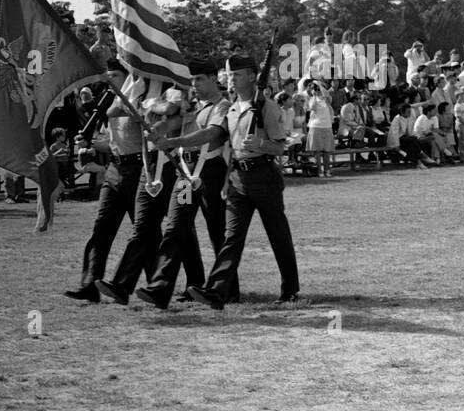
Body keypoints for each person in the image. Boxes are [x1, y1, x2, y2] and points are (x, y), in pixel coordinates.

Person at [187, 55, 300, 309]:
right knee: (231, 237)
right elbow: (231, 150)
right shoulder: (233, 108)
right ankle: (217, 292)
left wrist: (261, 144)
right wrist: (227, 180)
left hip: (264, 176)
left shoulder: (268, 107)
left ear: (252, 76)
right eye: (228, 74)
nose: (231, 79)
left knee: (278, 235)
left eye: (236, 74)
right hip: (238, 177)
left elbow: (282, 148)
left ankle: (290, 290)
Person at [136, 59, 237, 309]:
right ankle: (160, 289)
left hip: (210, 172)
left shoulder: (223, 106)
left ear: (214, 79)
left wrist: (172, 141)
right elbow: (169, 123)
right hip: (185, 173)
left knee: (217, 231)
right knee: (175, 228)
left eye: (200, 79)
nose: (195, 84)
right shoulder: (189, 106)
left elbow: (211, 134)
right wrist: (157, 130)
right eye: (192, 80)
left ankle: (227, 289)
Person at [94, 86, 195, 306]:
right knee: (143, 227)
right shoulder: (141, 87)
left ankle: (196, 283)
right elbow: (113, 111)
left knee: (179, 228)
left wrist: (146, 104)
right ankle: (122, 286)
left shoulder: (171, 87)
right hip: (150, 166)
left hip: (177, 168)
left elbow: (172, 110)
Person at [64, 61, 143, 303]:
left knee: (144, 231)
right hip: (114, 169)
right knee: (101, 229)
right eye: (108, 75)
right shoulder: (108, 105)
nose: (110, 80)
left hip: (138, 169)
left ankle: (159, 283)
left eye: (115, 75)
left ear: (128, 77)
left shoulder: (136, 103)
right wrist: (89, 143)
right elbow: (111, 142)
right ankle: (89, 284)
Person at [305, 81, 335, 177]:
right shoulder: (311, 99)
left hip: (327, 126)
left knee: (327, 151)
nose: (317, 90)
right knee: (317, 151)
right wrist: (314, 95)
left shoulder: (326, 99)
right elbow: (312, 107)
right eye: (315, 89)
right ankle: (319, 171)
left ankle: (327, 170)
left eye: (318, 88)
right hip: (315, 126)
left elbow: (328, 98)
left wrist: (320, 86)